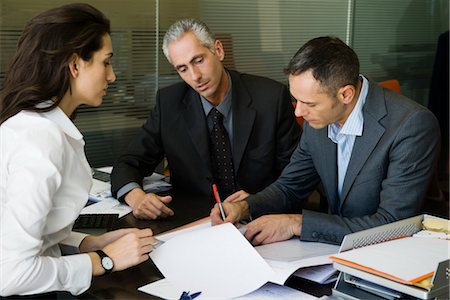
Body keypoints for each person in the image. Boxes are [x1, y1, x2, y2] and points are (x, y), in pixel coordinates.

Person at [211, 36, 441, 246]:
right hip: (333, 249)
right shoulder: (319, 121)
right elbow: (290, 186)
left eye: (309, 103)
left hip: (394, 254)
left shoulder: (412, 125)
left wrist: (295, 223)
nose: (298, 113)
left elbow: (392, 223)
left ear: (346, 94)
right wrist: (244, 207)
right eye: (296, 100)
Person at [0, 4, 155, 298]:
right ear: (75, 65)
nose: (111, 76)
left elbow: (30, 233)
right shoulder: (39, 140)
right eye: (106, 62)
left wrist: (89, 244)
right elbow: (11, 273)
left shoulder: (41, 126)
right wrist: (105, 261)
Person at [110, 18, 301, 220]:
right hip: (194, 224)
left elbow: (298, 176)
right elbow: (129, 162)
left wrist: (257, 203)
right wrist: (136, 197)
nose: (195, 76)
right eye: (183, 69)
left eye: (198, 60)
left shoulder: (270, 98)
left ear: (218, 50)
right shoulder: (169, 104)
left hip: (260, 220)